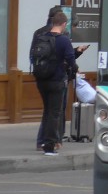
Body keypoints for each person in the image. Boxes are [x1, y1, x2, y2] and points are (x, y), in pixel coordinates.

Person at [31, 10, 78, 155]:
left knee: (47, 111)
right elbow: (71, 59)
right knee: (55, 113)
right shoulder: (64, 40)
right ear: (64, 24)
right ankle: (50, 146)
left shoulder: (41, 37)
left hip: (41, 80)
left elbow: (33, 57)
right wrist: (75, 70)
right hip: (57, 80)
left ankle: (43, 140)